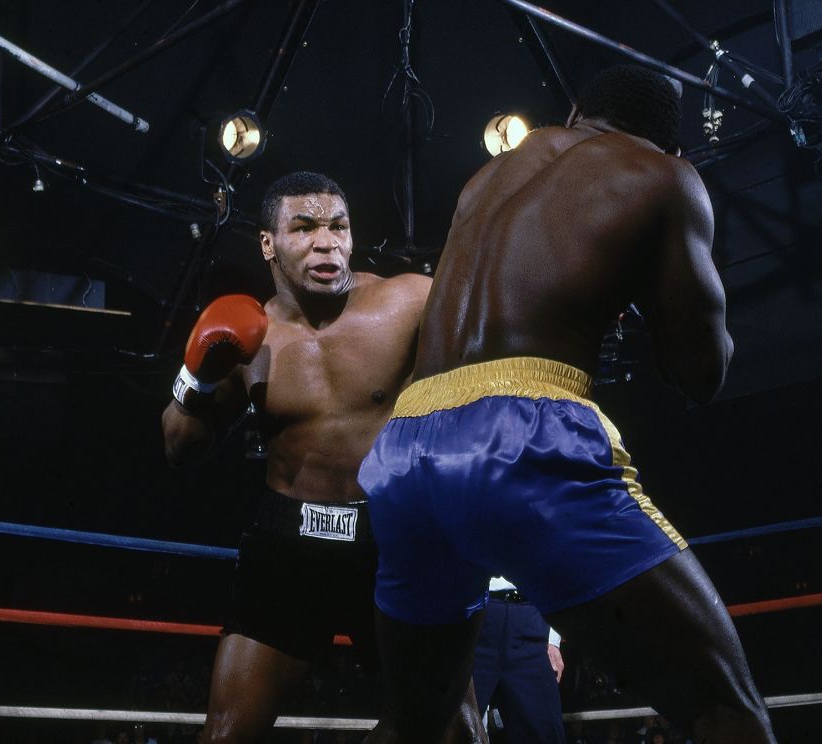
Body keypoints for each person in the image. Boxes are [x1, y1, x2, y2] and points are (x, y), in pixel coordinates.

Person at [358, 66, 777, 743]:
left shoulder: (490, 176)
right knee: (723, 709)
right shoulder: (662, 176)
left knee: (416, 726)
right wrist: (649, 275)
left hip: (406, 448)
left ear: (577, 111)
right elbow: (701, 371)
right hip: (522, 438)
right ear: (670, 146)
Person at [161, 171, 483, 743]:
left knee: (456, 730)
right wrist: (196, 377)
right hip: (287, 550)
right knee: (227, 734)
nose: (325, 241)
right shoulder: (248, 340)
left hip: (395, 541)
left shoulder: (409, 301)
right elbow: (181, 449)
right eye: (304, 227)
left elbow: (494, 364)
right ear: (269, 244)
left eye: (338, 226)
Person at [473, 577, 566, 744]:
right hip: (473, 614)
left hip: (531, 617)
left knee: (544, 731)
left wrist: (553, 639)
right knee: (453, 727)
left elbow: (558, 565)